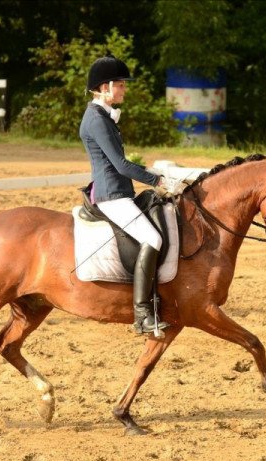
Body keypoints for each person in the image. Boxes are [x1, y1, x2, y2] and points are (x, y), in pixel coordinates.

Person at [79, 54, 168, 335]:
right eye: (120, 85)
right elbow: (120, 165)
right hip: (112, 196)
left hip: (119, 191)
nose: (124, 90)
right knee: (153, 238)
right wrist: (157, 179)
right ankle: (142, 315)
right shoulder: (96, 119)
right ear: (104, 87)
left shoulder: (103, 116)